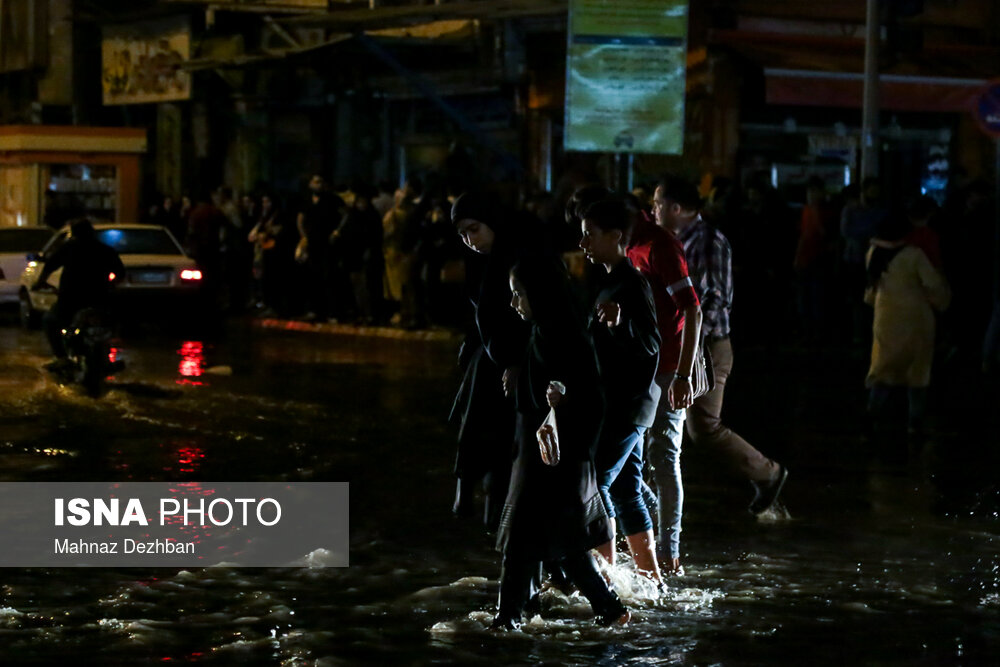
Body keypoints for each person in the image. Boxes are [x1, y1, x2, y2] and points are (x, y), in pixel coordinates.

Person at [493, 256, 629, 630]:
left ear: (540, 294)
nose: (514, 303)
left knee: (536, 538)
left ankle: (509, 620)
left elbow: (591, 394)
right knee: (551, 540)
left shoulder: (564, 334)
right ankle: (606, 608)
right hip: (542, 457)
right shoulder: (547, 330)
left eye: (519, 294)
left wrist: (559, 396)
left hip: (554, 461)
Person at [656, 174, 788, 518]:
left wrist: (689, 344)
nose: (653, 210)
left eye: (657, 204)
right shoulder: (671, 240)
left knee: (703, 427)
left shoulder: (709, 241)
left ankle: (768, 473)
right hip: (688, 343)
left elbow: (714, 301)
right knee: (670, 423)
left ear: (677, 208)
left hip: (708, 346)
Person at [578, 198, 664, 585]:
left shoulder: (633, 283)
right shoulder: (606, 280)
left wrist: (620, 322)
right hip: (618, 403)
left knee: (597, 483)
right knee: (627, 488)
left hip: (629, 404)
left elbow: (651, 344)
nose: (583, 244)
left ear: (616, 237)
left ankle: (606, 584)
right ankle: (651, 580)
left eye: (589, 236)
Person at [625, 179, 702, 577]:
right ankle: (647, 531)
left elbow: (693, 310)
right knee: (631, 457)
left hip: (669, 366)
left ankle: (669, 551)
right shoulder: (630, 247)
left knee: (664, 455)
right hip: (645, 366)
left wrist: (683, 375)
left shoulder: (658, 245)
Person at [449, 193, 530, 531]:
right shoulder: (484, 261)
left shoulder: (518, 256)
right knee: (487, 434)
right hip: (492, 356)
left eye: (475, 230)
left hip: (517, 359)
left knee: (504, 443)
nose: (470, 240)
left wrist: (512, 360)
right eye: (463, 235)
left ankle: (496, 515)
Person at [864, 211, 950, 436]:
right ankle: (914, 423)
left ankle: (872, 415)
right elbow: (933, 284)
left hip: (885, 317)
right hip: (916, 318)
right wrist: (943, 301)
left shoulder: (874, 252)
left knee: (883, 368)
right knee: (917, 372)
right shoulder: (914, 255)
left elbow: (872, 289)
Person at [33, 218, 124, 363]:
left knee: (49, 321)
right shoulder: (105, 250)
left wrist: (40, 282)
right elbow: (120, 273)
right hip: (99, 299)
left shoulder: (68, 248)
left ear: (74, 233)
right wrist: (110, 285)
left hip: (70, 300)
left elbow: (50, 265)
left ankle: (61, 358)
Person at [297, 175, 344, 323]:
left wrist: (337, 231)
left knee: (329, 276)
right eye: (315, 182)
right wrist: (304, 236)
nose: (317, 185)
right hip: (312, 243)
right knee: (312, 277)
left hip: (327, 243)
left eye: (320, 182)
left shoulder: (332, 199)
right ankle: (314, 309)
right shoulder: (307, 201)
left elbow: (345, 214)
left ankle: (332, 311)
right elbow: (300, 219)